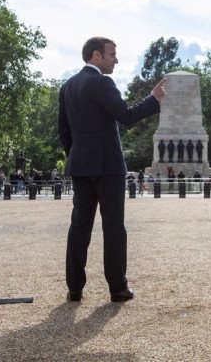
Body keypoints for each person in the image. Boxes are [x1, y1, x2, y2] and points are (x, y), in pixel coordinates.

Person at [58, 36, 166, 303]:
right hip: (108, 166)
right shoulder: (102, 82)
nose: (116, 60)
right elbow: (127, 116)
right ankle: (117, 288)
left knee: (79, 227)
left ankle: (75, 288)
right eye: (112, 54)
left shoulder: (68, 86)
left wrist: (76, 155)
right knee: (114, 228)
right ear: (97, 55)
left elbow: (64, 130)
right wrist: (153, 99)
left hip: (81, 166)